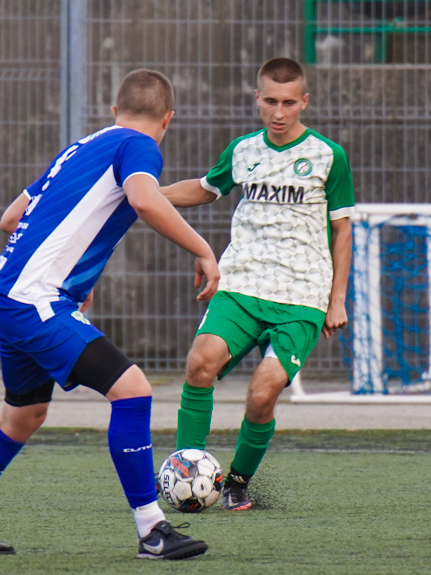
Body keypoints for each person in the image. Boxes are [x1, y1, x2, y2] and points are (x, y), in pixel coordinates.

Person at [0, 69, 219, 560]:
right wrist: (204, 248)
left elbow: (11, 219)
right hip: (35, 298)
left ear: (112, 110)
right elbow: (144, 200)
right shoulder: (140, 147)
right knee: (133, 391)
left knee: (23, 416)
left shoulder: (80, 148)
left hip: (7, 290)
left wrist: (76, 277)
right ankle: (152, 530)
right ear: (168, 119)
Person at [161, 57, 355, 511]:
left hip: (302, 295)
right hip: (242, 283)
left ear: (304, 101)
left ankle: (237, 482)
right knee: (199, 364)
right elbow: (206, 188)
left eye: (289, 102)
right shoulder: (243, 150)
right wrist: (147, 193)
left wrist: (337, 299)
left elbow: (343, 230)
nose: (279, 112)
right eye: (270, 101)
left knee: (263, 392)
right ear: (257, 99)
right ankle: (188, 468)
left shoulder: (329, 157)